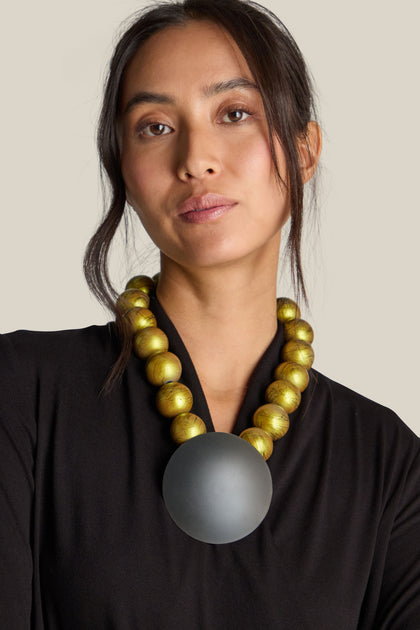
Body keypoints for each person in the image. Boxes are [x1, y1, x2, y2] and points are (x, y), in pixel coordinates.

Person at [1, 0, 419, 628]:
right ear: (123, 166)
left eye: (234, 113)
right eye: (155, 126)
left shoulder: (387, 464)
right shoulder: (21, 393)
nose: (196, 158)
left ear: (304, 152)